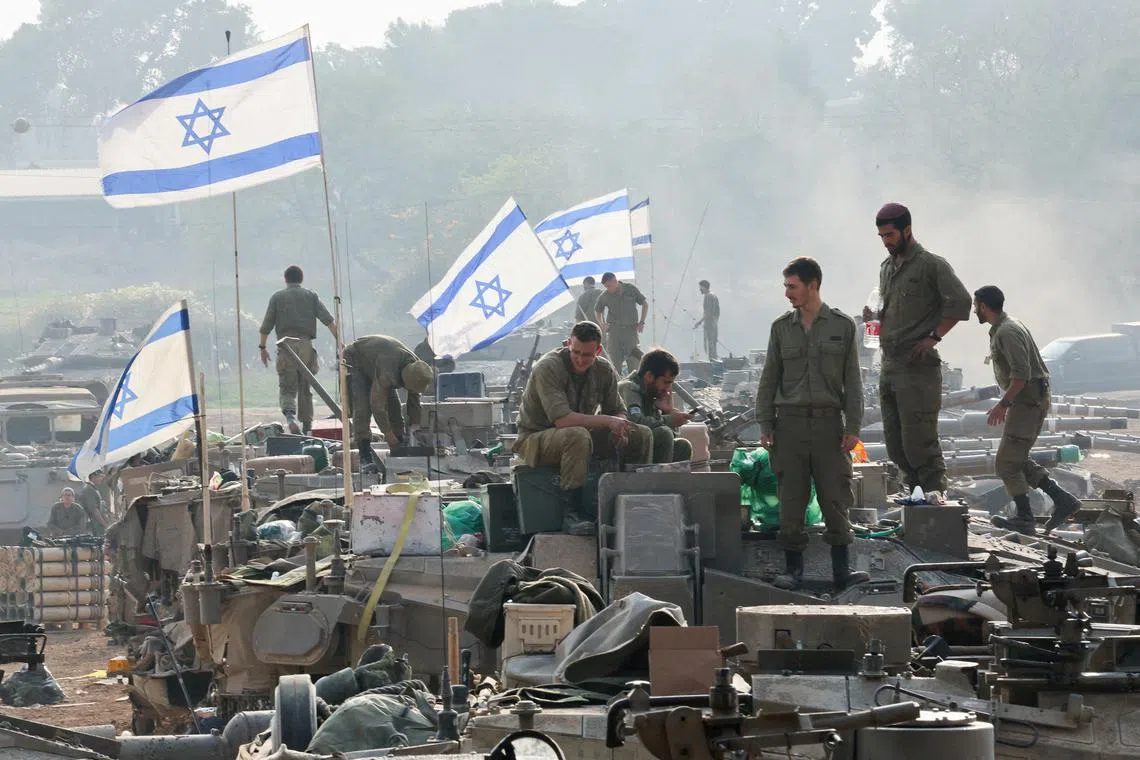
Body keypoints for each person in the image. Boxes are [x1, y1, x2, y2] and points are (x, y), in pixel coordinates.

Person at [755, 257, 870, 591]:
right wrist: (766, 422)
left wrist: (854, 427)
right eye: (786, 286)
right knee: (791, 500)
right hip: (788, 427)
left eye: (792, 286)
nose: (787, 293)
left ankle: (841, 572)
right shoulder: (781, 328)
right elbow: (769, 377)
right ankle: (793, 571)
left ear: (812, 285)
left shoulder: (842, 326)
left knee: (836, 498)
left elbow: (853, 381)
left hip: (828, 427)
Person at [864, 203, 971, 503]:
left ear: (907, 230)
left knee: (919, 438)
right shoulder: (887, 268)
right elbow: (889, 307)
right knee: (896, 442)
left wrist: (933, 337)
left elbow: (961, 302)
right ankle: (914, 492)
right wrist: (875, 315)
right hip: (890, 364)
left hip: (917, 366)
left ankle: (934, 492)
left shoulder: (930, 265)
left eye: (890, 234)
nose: (886, 241)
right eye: (881, 235)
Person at [514, 321, 653, 533]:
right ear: (568, 343)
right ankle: (572, 513)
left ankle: (633, 503)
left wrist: (619, 427)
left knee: (641, 434)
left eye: (587, 355)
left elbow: (618, 409)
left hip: (578, 437)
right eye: (575, 352)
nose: (580, 359)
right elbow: (562, 420)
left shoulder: (603, 369)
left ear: (598, 350)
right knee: (577, 436)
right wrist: (608, 422)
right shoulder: (548, 367)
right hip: (535, 439)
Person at [973, 286, 1081, 534]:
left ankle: (1024, 517)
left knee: (1006, 464)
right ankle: (1063, 499)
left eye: (976, 305)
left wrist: (1003, 405)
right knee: (1017, 458)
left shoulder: (1007, 332)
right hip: (1030, 400)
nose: (974, 310)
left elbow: (1021, 376)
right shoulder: (1008, 325)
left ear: (984, 307)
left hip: (1026, 401)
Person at [259, 265, 339, 435]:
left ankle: (290, 417)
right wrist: (340, 343)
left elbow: (266, 326)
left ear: (285, 279)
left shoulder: (277, 297)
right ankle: (308, 427)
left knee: (287, 388)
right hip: (305, 346)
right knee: (305, 388)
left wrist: (262, 347)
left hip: (285, 345)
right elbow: (329, 321)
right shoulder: (311, 296)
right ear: (301, 279)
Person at [343, 335, 435, 467]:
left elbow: (414, 402)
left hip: (380, 362)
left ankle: (399, 448)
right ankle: (365, 456)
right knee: (363, 408)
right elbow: (377, 406)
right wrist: (388, 435)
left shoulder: (418, 369)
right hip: (357, 359)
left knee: (395, 408)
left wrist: (415, 428)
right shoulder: (388, 371)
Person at [617, 349, 694, 463]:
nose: (668, 389)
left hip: (644, 446)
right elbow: (635, 421)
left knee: (682, 446)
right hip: (624, 447)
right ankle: (658, 479)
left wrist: (667, 411)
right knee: (663, 434)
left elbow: (671, 436)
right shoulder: (629, 388)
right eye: (665, 382)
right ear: (649, 376)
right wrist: (669, 420)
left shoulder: (650, 393)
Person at [593, 272, 648, 373]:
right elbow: (597, 310)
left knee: (634, 359)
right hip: (614, 332)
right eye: (606, 287)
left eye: (609, 286)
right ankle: (616, 384)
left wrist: (642, 322)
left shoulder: (630, 289)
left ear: (615, 280)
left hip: (630, 331)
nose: (608, 288)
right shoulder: (605, 295)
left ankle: (633, 384)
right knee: (614, 361)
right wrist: (602, 323)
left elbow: (645, 304)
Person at [693, 279, 721, 361]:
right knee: (713, 347)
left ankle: (713, 365)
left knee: (710, 347)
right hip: (714, 325)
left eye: (700, 287)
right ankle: (714, 363)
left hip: (710, 326)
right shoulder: (714, 295)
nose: (700, 289)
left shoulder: (708, 296)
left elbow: (708, 313)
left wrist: (698, 323)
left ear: (704, 287)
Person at [78, 470, 110, 537]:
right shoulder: (88, 489)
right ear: (93, 477)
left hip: (97, 524)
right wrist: (105, 525)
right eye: (100, 476)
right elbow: (94, 510)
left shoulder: (93, 488)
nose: (102, 479)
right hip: (94, 525)